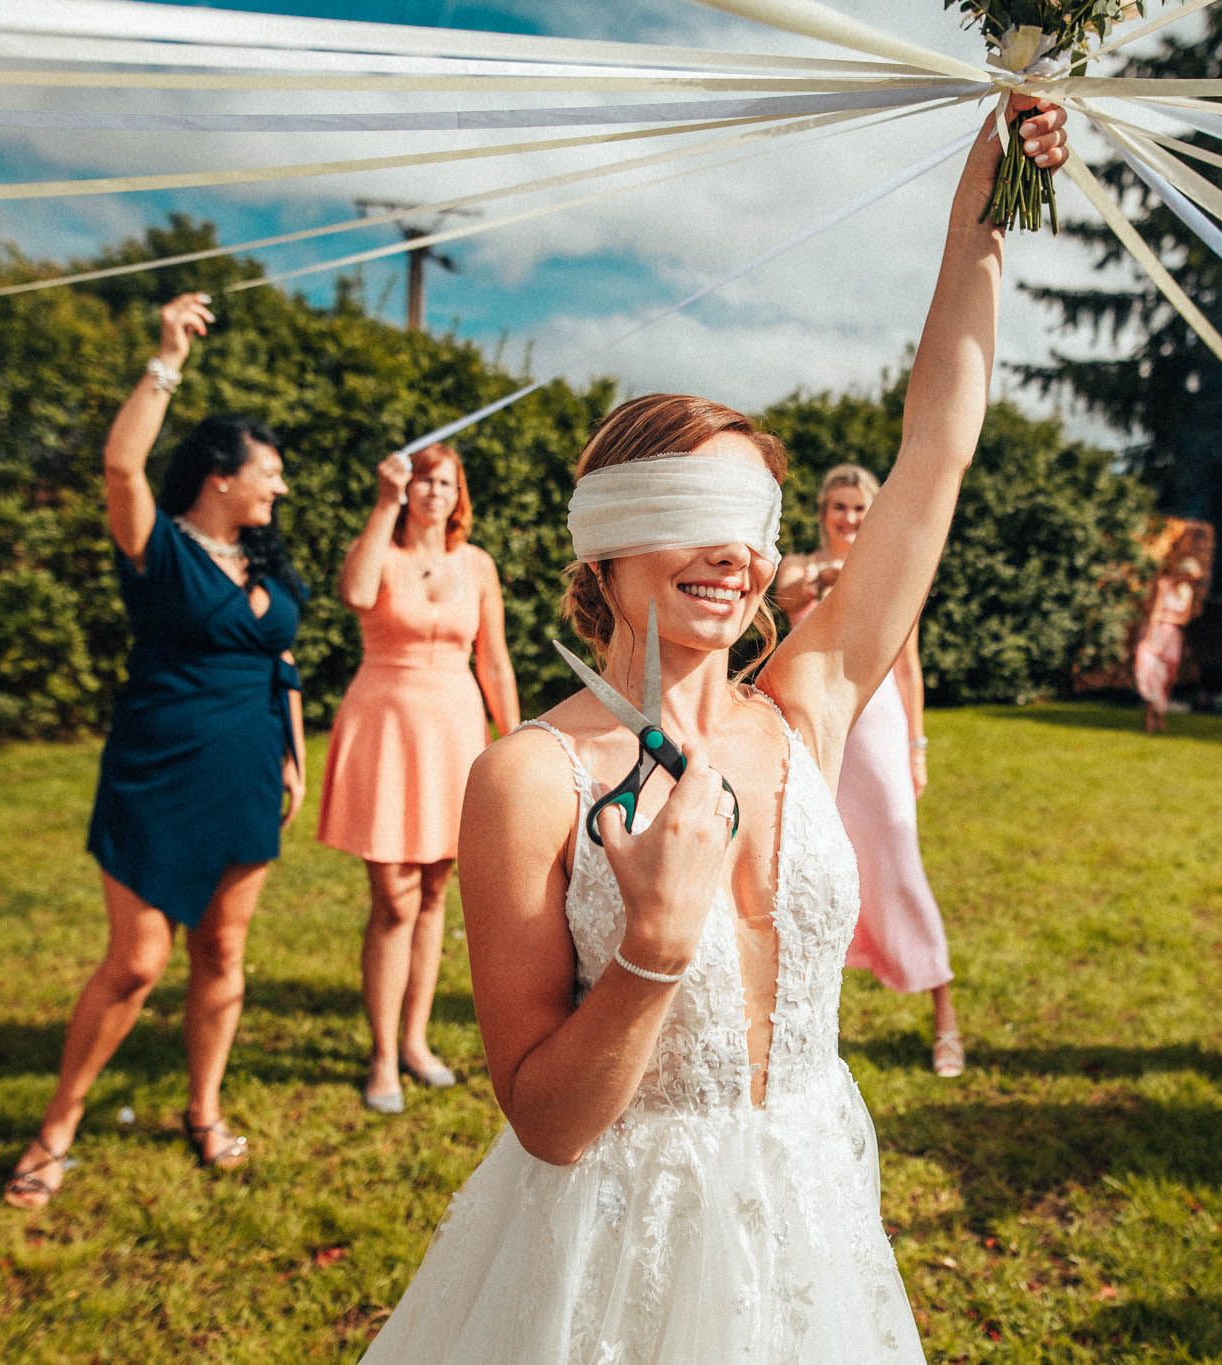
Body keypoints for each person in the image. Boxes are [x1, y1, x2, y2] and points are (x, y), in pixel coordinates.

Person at [355, 95, 1067, 1363]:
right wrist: (651, 949)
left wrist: (984, 210)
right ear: (608, 540)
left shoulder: (809, 700)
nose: (738, 555)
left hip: (804, 1201)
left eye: (756, 521)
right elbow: (549, 1126)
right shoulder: (530, 777)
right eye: (697, 511)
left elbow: (935, 454)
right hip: (605, 1249)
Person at [5, 293, 307, 1207]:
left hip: (251, 768)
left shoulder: (268, 564)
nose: (280, 488)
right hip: (159, 770)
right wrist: (167, 356)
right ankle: (58, 1122)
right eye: (270, 473)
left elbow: (281, 661)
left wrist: (293, 755)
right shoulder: (158, 550)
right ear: (220, 476)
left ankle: (203, 1108)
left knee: (223, 950)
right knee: (137, 961)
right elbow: (119, 461)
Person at [319, 442, 519, 1113]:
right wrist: (381, 502)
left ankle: (415, 1040)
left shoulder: (478, 564)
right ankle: (380, 1056)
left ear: (457, 491)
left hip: (455, 727)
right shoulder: (382, 549)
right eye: (421, 479)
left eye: (444, 480)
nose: (432, 490)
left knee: (436, 890)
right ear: (405, 488)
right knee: (394, 898)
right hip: (387, 725)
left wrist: (511, 738)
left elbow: (493, 659)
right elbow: (352, 591)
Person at [775, 464, 962, 1077]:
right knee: (808, 869)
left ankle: (945, 1015)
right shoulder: (798, 567)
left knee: (898, 860)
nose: (849, 519)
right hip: (814, 726)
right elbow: (785, 595)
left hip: (878, 726)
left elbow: (908, 667)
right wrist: (828, 573)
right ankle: (802, 1023)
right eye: (839, 507)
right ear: (823, 510)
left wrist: (917, 748)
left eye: (860, 509)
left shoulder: (893, 571)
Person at [1133, 556, 1203, 733]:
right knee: (1150, 671)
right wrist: (1149, 637)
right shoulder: (1164, 585)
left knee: (1167, 676)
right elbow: (1156, 611)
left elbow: (1184, 617)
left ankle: (1160, 713)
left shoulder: (1187, 591)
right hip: (1155, 632)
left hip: (1172, 635)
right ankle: (1149, 715)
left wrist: (1168, 617)